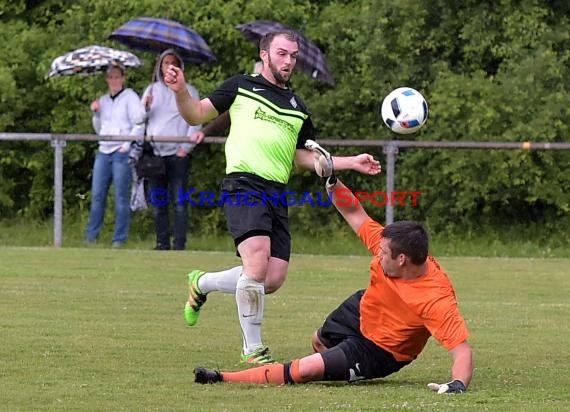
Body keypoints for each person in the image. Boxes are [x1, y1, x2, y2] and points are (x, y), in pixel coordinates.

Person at [164, 30, 381, 365]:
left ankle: (202, 283)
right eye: (282, 54)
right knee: (256, 262)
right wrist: (180, 92)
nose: (289, 61)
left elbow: (303, 158)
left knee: (272, 278)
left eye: (293, 56)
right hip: (244, 184)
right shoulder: (240, 86)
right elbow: (195, 114)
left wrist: (351, 161)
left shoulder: (298, 108)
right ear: (264, 54)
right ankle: (253, 350)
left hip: (277, 193)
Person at [192, 163, 473, 393]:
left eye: (384, 254)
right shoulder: (388, 247)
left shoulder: (436, 297)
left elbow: (461, 351)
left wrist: (458, 384)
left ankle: (221, 378)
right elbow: (354, 213)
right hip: (362, 308)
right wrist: (331, 180)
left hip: (381, 349)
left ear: (403, 259)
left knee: (307, 370)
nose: (378, 255)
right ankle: (332, 360)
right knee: (318, 342)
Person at [142, 49, 201, 251]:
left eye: (173, 63)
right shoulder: (152, 90)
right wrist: (145, 107)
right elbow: (138, 119)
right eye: (165, 62)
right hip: (155, 154)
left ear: (179, 66)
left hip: (177, 154)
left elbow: (196, 120)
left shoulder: (189, 90)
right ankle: (162, 243)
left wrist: (185, 148)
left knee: (178, 202)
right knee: (158, 203)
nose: (169, 66)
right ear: (160, 66)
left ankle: (179, 245)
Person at [85, 65, 145, 247]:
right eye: (111, 77)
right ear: (107, 80)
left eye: (117, 77)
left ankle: (119, 239)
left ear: (123, 78)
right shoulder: (103, 100)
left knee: (121, 196)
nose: (114, 81)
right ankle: (91, 236)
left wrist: (127, 144)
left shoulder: (130, 97)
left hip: (121, 151)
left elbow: (139, 122)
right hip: (104, 150)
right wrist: (95, 113)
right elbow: (99, 129)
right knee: (97, 195)